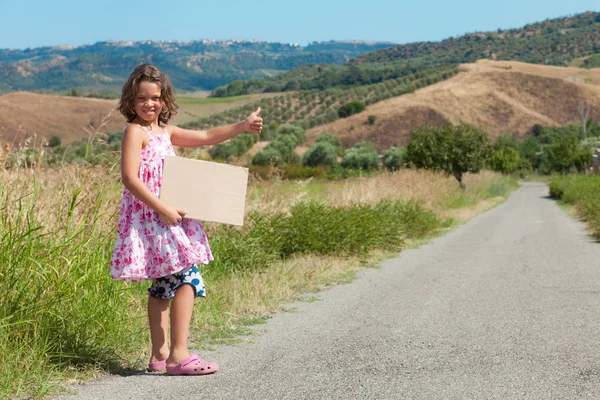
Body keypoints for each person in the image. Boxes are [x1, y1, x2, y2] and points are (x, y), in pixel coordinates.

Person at [110, 64, 262, 375]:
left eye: (155, 98)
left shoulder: (165, 133)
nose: (149, 104)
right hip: (154, 218)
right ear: (131, 100)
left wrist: (242, 126)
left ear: (164, 100)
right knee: (187, 277)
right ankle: (178, 355)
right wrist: (163, 208)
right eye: (142, 98)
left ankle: (160, 355)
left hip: (169, 217)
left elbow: (206, 136)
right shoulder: (134, 132)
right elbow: (129, 178)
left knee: (164, 284)